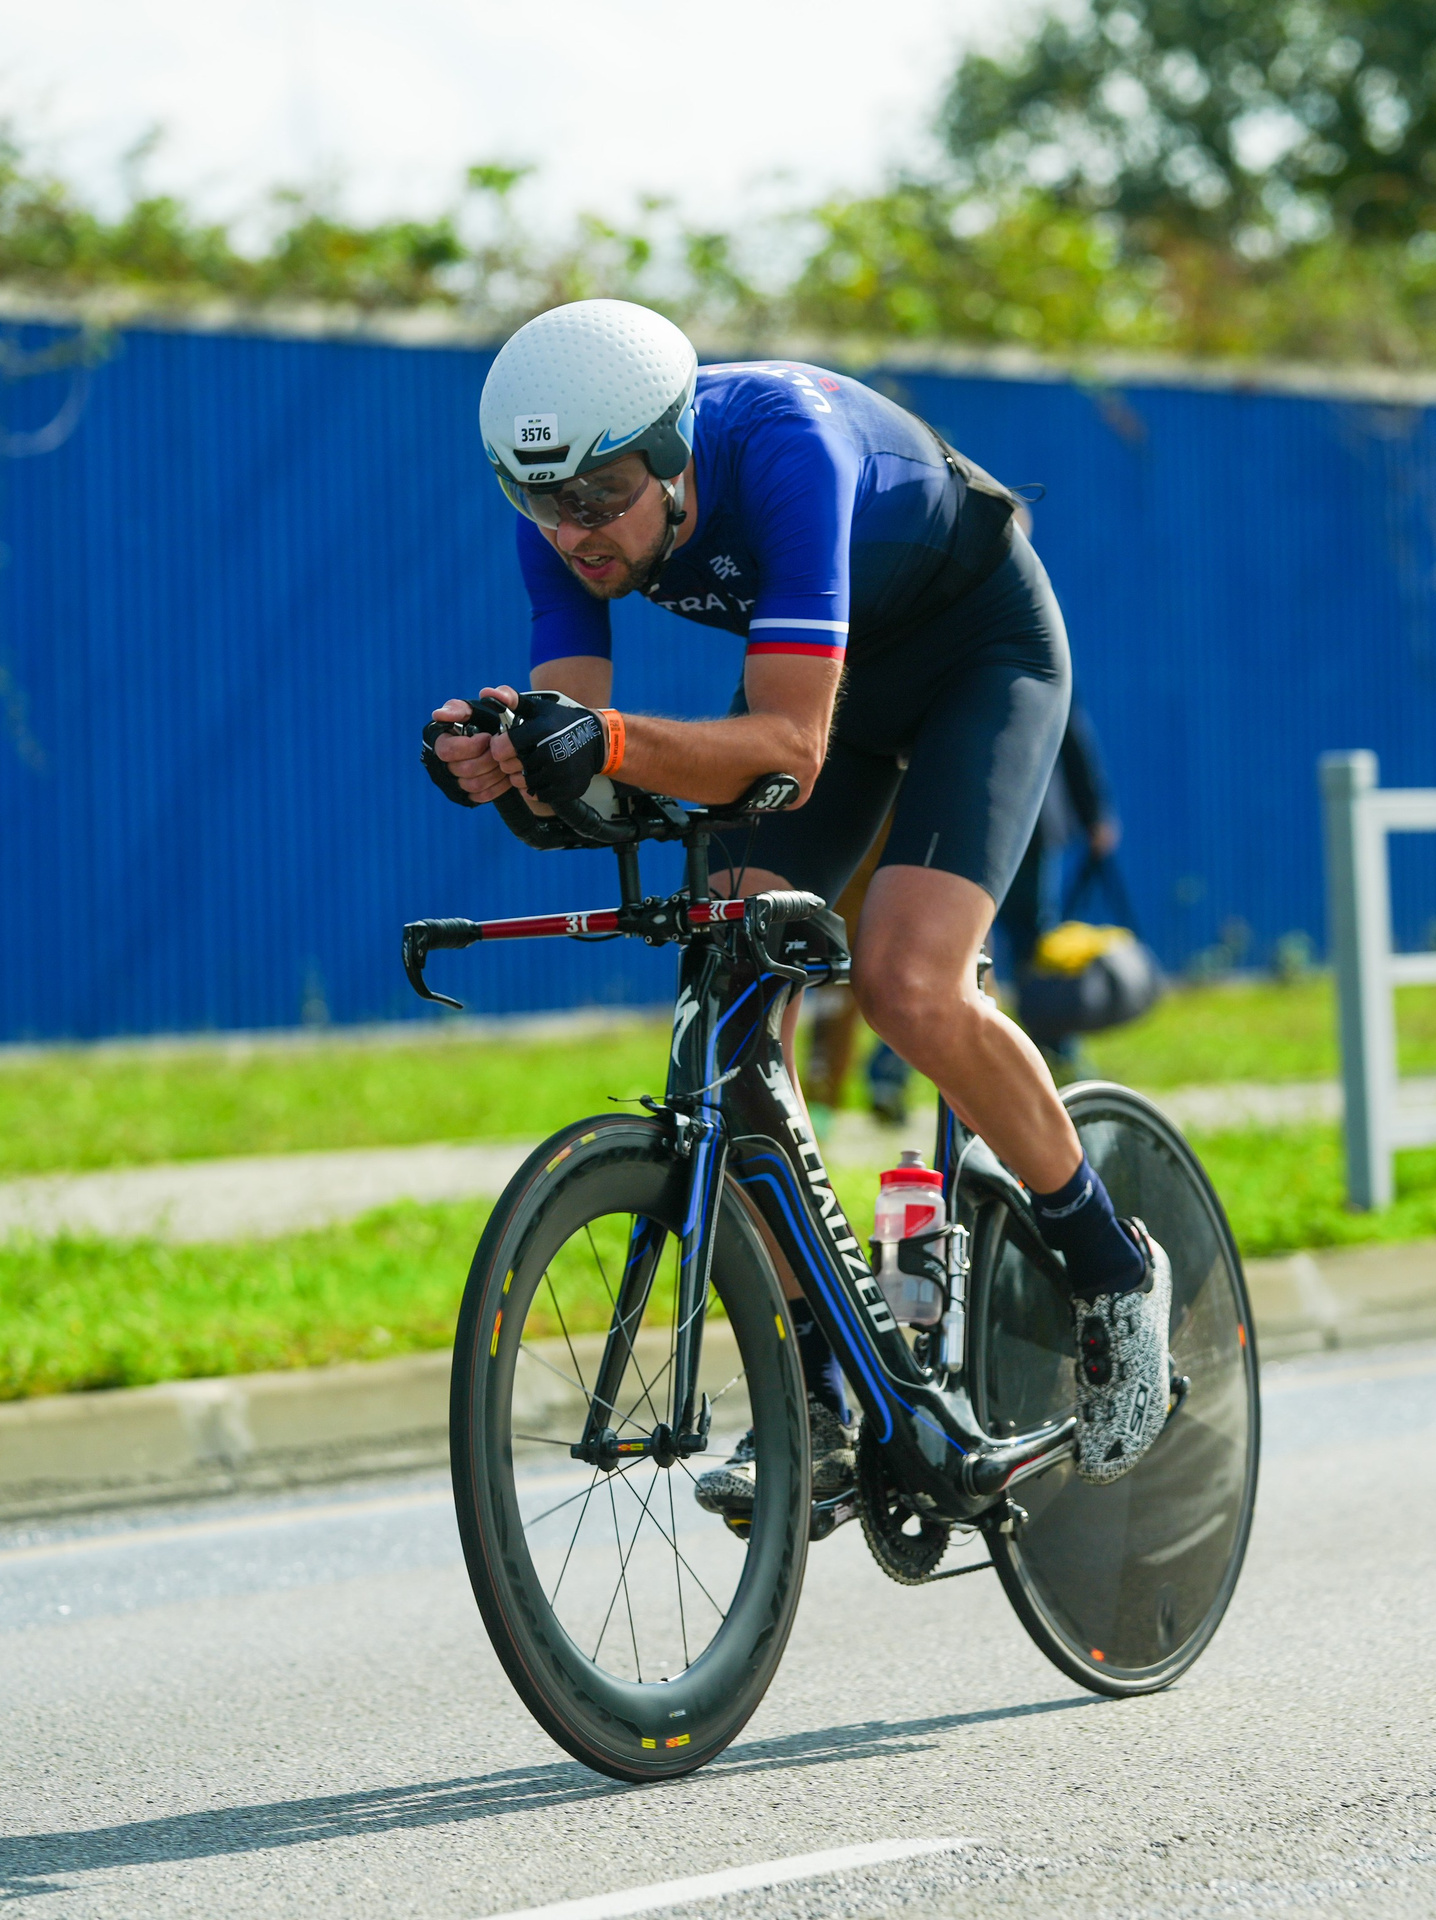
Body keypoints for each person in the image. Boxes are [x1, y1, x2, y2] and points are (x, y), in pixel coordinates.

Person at [420, 299, 1173, 1507]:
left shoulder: (782, 446)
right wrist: (514, 766)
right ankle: (823, 1388)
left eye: (604, 493)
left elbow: (784, 746)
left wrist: (593, 738)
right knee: (726, 993)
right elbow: (586, 781)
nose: (576, 533)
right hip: (831, 685)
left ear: (671, 457)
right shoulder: (565, 520)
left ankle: (1111, 1269)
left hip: (977, 656)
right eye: (541, 500)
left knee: (905, 986)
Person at [996, 700, 1120, 1080]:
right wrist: (1094, 813)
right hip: (1017, 818)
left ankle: (1055, 1047)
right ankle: (1056, 1047)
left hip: (1021, 820)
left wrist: (1094, 811)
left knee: (1030, 940)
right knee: (1028, 938)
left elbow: (1067, 727)